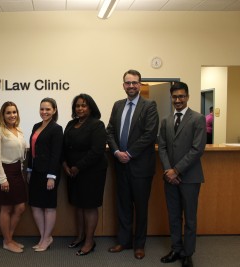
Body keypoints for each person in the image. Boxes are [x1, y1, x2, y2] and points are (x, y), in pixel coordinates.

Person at [106, 69, 159, 260]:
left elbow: (150, 134)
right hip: (120, 165)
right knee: (123, 205)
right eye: (128, 83)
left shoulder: (149, 105)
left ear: (140, 84)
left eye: (134, 82)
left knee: (141, 207)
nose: (131, 86)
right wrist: (116, 151)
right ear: (123, 85)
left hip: (141, 167)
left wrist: (129, 153)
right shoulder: (118, 105)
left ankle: (139, 245)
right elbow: (110, 130)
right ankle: (124, 241)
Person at [159, 82, 206, 267]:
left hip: (190, 178)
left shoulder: (198, 118)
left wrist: (176, 170)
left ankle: (188, 253)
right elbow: (161, 147)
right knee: (174, 216)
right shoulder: (166, 120)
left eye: (181, 96)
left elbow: (197, 149)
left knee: (190, 218)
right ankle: (176, 249)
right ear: (171, 98)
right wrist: (168, 170)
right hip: (169, 178)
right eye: (175, 97)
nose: (178, 100)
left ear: (187, 96)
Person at [62, 93, 107, 256]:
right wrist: (65, 164)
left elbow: (97, 151)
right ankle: (80, 236)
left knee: (89, 206)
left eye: (83, 105)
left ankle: (89, 241)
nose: (80, 108)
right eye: (77, 106)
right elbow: (64, 147)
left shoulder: (97, 125)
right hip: (72, 171)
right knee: (78, 204)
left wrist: (78, 167)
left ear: (90, 107)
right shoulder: (70, 124)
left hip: (91, 172)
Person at [27, 98, 63, 252]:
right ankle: (45, 237)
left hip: (49, 173)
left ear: (54, 110)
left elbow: (56, 155)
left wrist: (51, 176)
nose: (44, 112)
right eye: (42, 109)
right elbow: (32, 150)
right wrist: (29, 169)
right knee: (35, 205)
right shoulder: (36, 126)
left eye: (48, 109)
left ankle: (46, 238)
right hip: (35, 171)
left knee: (48, 207)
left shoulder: (56, 128)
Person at [0, 101, 27, 253]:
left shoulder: (18, 130)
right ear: (3, 115)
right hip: (4, 172)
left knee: (20, 207)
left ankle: (9, 239)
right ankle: (7, 241)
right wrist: (2, 179)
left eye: (14, 112)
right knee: (6, 208)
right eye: (8, 113)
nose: (12, 115)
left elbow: (21, 154)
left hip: (17, 171)